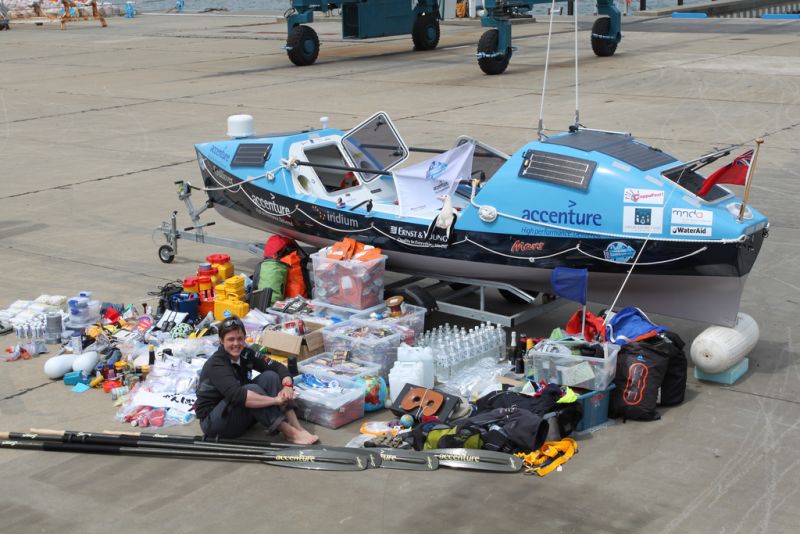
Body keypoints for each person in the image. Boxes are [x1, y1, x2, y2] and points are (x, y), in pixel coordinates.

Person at [194, 316, 319, 444]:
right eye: (230, 339)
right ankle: (290, 433)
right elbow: (238, 395)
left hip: (237, 413)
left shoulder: (246, 353)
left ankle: (296, 427)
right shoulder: (216, 364)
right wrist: (274, 401)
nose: (236, 344)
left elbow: (278, 367)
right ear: (221, 341)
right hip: (215, 424)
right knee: (250, 390)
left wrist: (287, 385)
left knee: (270, 376)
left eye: (240, 339)